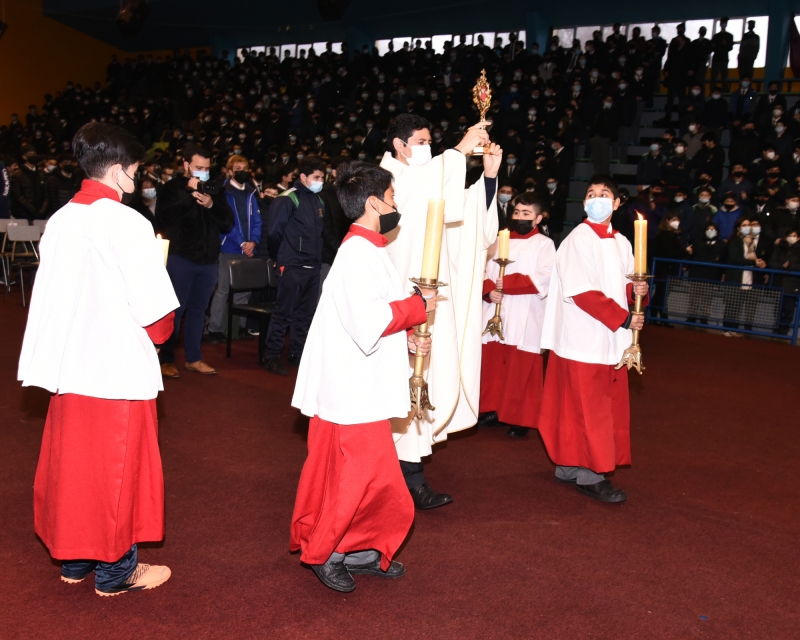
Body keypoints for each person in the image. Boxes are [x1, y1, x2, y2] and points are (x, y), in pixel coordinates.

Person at [17, 122, 179, 596]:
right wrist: (163, 331)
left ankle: (76, 561)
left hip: (72, 364)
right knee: (116, 472)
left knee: (77, 470)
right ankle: (117, 571)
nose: (139, 178)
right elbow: (156, 317)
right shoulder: (128, 222)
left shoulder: (63, 217)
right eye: (136, 170)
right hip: (115, 367)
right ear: (117, 170)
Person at [289, 161, 430, 593]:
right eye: (391, 197)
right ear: (373, 203)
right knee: (357, 476)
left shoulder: (372, 251)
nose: (395, 204)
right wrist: (417, 308)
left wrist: (408, 336)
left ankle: (361, 547)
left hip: (361, 384)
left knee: (372, 475)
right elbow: (368, 321)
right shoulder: (356, 254)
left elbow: (374, 316)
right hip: (350, 389)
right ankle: (326, 552)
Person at [380, 113, 500, 509]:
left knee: (422, 379)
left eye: (432, 141)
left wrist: (487, 179)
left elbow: (461, 216)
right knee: (398, 382)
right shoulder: (387, 179)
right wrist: (460, 149)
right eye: (421, 140)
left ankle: (408, 473)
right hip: (397, 298)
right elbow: (416, 196)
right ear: (400, 144)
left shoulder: (428, 175)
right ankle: (394, 476)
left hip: (428, 293)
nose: (428, 146)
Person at [539, 175, 649, 503]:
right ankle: (591, 474)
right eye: (590, 194)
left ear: (617, 204)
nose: (596, 199)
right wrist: (625, 318)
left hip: (608, 335)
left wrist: (638, 291)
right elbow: (582, 292)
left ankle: (569, 465)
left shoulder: (623, 243)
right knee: (591, 408)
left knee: (579, 406)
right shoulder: (578, 239)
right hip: (583, 336)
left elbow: (626, 286)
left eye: (604, 195)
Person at [478, 192, 555, 438]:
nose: (519, 217)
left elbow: (545, 277)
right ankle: (491, 409)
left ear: (538, 218)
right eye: (516, 212)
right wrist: (489, 291)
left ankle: (520, 417)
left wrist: (504, 284)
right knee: (493, 363)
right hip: (495, 310)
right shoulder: (498, 241)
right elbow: (479, 272)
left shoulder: (545, 244)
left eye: (526, 214)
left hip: (525, 311)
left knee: (521, 368)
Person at [155, 144, 235, 378]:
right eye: (199, 167)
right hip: (180, 258)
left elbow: (228, 224)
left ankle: (194, 358)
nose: (203, 171)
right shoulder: (171, 188)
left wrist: (210, 205)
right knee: (175, 311)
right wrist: (190, 197)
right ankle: (166, 359)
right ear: (186, 165)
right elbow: (163, 218)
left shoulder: (215, 190)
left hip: (208, 259)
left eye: (207, 168)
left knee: (199, 311)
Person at [263, 157, 327, 375]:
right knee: (283, 313)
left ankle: (296, 353)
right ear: (303, 177)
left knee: (305, 315)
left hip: (312, 266)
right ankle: (271, 356)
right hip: (292, 265)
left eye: (322, 177)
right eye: (316, 177)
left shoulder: (319, 202)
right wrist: (280, 258)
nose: (320, 181)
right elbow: (273, 233)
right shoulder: (288, 198)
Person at [206, 154, 263, 344]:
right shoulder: (223, 192)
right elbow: (227, 222)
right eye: (238, 169)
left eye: (245, 168)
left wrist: (253, 241)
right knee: (223, 289)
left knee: (244, 289)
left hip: (248, 248)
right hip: (230, 246)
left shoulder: (250, 191)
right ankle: (215, 329)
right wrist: (241, 243)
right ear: (229, 171)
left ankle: (239, 327)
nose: (242, 172)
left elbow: (256, 220)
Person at [11, 145, 48, 221]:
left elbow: (46, 194)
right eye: (30, 154)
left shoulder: (41, 174)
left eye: (34, 154)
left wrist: (42, 210)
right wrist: (33, 210)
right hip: (23, 214)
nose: (33, 156)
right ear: (24, 157)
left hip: (41, 214)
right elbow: (18, 196)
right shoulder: (17, 175)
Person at [710, 17, 734, 93]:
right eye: (723, 23)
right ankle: (713, 92)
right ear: (720, 24)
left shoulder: (729, 36)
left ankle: (724, 93)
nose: (723, 24)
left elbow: (730, 47)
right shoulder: (716, 36)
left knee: (724, 78)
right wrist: (714, 46)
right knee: (713, 78)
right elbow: (712, 48)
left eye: (725, 23)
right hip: (716, 59)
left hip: (724, 59)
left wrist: (725, 44)